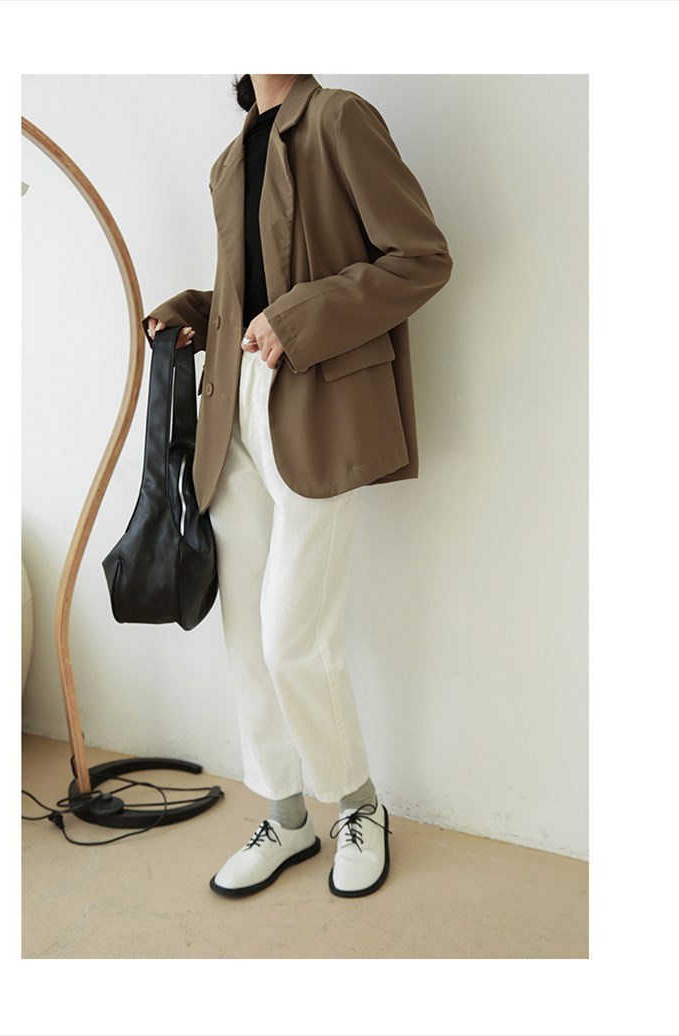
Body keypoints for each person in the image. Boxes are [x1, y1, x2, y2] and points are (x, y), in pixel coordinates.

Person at [146, 74, 453, 899]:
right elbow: (247, 296)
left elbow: (421, 258)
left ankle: (358, 805)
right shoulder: (229, 159)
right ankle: (286, 817)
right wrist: (192, 311)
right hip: (234, 409)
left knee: (294, 637)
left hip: (318, 401)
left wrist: (300, 319)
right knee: (247, 635)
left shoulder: (340, 119)